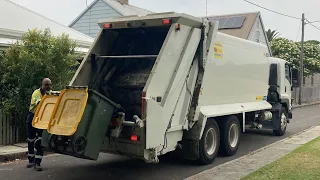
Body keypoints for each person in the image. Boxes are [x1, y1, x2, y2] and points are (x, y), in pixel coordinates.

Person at [26, 78, 52, 171]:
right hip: (32, 117)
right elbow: (39, 102)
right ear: (42, 85)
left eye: (49, 85)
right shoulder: (36, 93)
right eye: (46, 84)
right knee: (31, 139)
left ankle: (37, 163)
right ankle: (31, 160)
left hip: (42, 119)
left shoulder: (50, 93)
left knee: (40, 141)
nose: (48, 87)